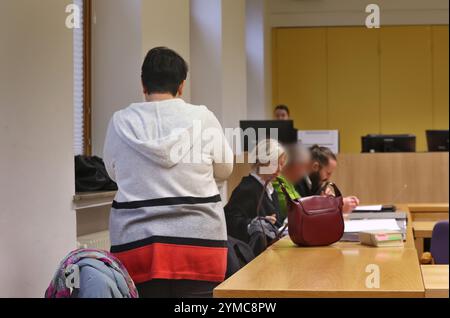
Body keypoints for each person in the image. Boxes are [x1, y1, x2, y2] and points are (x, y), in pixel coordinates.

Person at [103, 47, 234, 298]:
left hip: (136, 246)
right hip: (200, 247)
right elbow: (225, 169)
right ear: (181, 85)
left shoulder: (120, 122)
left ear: (143, 84)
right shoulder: (203, 118)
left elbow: (113, 172)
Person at [225, 140, 287, 253]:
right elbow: (229, 221)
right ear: (262, 162)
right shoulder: (247, 189)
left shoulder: (271, 189)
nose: (280, 169)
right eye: (275, 163)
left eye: (282, 164)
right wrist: (253, 224)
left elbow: (276, 221)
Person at [296, 145, 360, 213]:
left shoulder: (313, 182)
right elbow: (301, 210)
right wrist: (336, 206)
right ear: (315, 167)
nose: (328, 178)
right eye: (328, 173)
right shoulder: (295, 181)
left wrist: (330, 200)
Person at [273, 143, 311, 220]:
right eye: (303, 167)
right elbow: (291, 207)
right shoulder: (276, 180)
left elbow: (300, 202)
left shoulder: (289, 181)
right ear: (295, 166)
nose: (304, 173)